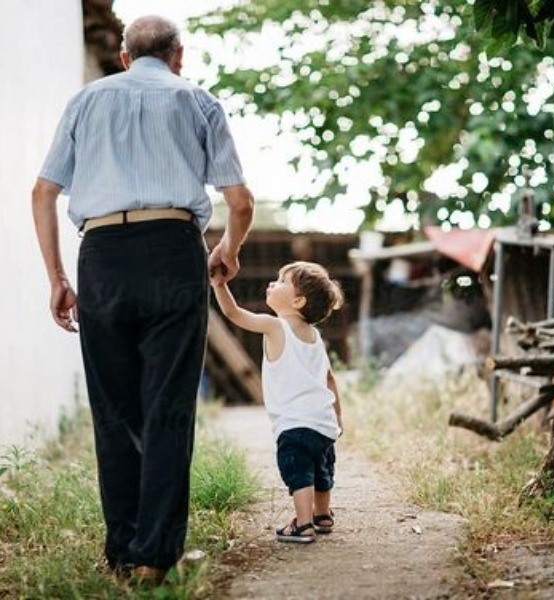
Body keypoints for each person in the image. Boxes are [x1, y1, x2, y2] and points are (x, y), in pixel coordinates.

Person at [31, 15, 254, 586]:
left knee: (114, 409)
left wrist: (58, 275)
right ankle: (155, 557)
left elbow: (44, 191)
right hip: (173, 249)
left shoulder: (86, 101)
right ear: (178, 55)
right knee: (169, 408)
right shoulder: (198, 101)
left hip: (101, 254)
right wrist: (227, 248)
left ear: (126, 57)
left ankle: (121, 553)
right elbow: (240, 200)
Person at [211, 261, 344, 543]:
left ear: (298, 300)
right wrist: (338, 417)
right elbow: (330, 379)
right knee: (322, 469)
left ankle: (304, 524)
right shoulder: (315, 337)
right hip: (323, 422)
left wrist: (219, 286)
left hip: (294, 424)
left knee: (299, 472)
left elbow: (234, 313)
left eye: (281, 281)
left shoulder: (274, 326)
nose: (272, 283)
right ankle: (322, 514)